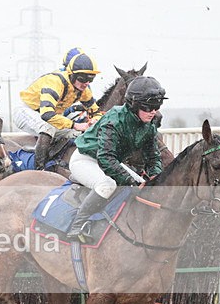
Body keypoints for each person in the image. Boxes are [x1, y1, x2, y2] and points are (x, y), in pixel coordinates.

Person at [65, 76, 168, 243]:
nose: (154, 111)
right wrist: (131, 182)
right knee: (108, 184)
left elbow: (153, 157)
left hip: (111, 161)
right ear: (134, 104)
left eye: (157, 106)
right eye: (149, 106)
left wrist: (155, 176)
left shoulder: (150, 124)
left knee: (145, 183)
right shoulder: (114, 119)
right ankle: (76, 225)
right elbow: (105, 157)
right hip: (86, 159)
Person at [14, 53, 103, 170]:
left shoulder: (84, 90)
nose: (86, 83)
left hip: (47, 116)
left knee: (75, 134)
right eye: (83, 78)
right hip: (26, 111)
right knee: (47, 128)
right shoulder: (55, 82)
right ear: (72, 75)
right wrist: (75, 125)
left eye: (90, 79)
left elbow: (96, 111)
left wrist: (94, 121)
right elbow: (46, 114)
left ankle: (53, 160)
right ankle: (39, 169)